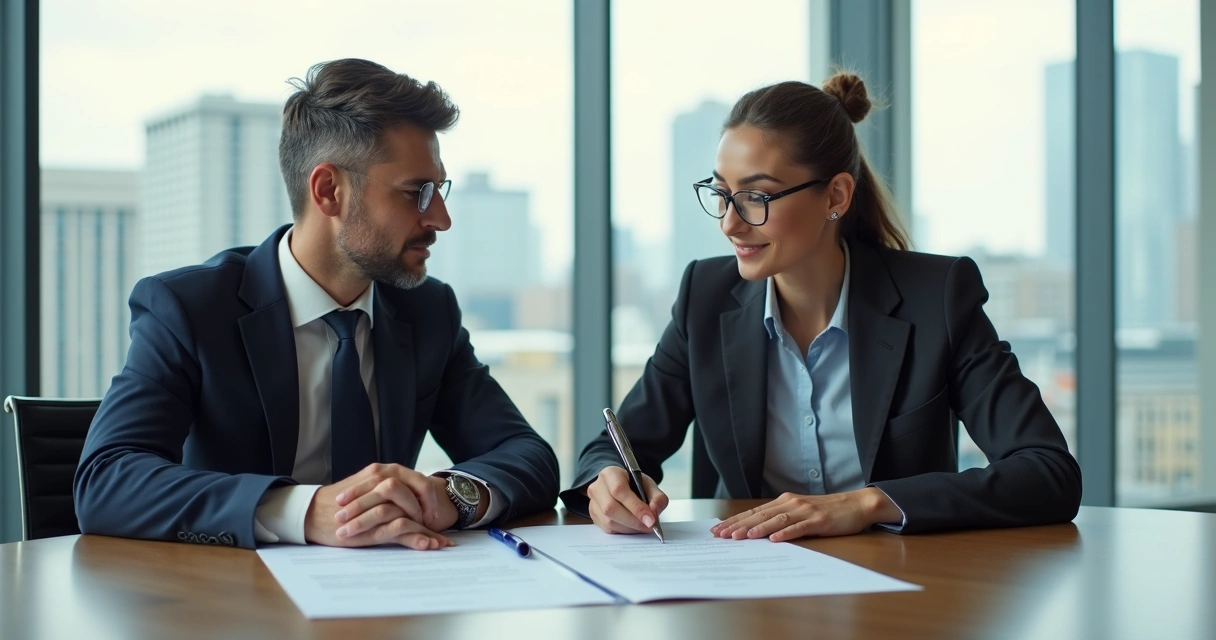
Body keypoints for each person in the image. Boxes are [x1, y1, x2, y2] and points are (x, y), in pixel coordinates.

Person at [563, 73, 1082, 541]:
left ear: (836, 194)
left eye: (757, 198)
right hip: (748, 591)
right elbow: (614, 447)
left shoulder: (937, 297)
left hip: (902, 589)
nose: (730, 223)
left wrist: (869, 503)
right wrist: (607, 483)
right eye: (722, 194)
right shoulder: (705, 295)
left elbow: (1047, 471)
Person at [75, 58, 559, 550]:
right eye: (418, 192)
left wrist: (448, 494)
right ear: (329, 191)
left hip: (392, 603)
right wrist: (303, 512)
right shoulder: (189, 308)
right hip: (232, 605)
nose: (441, 218)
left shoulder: (427, 311)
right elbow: (107, 480)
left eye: (439, 190)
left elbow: (528, 456)